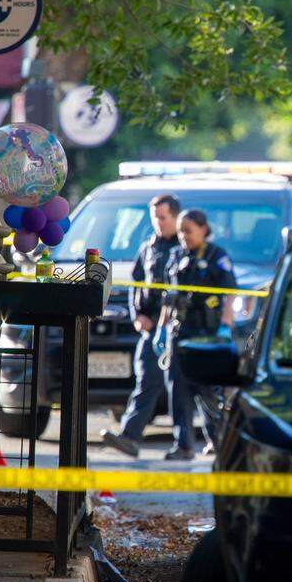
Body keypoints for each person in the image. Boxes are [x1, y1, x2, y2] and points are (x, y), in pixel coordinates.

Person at [100, 194, 181, 457]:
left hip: (175, 329)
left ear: (176, 217)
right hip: (150, 331)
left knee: (192, 390)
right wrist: (137, 315)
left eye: (163, 217)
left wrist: (163, 320)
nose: (158, 223)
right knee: (146, 382)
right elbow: (136, 283)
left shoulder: (183, 248)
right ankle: (129, 437)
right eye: (155, 218)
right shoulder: (148, 248)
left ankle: (208, 438)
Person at [159, 208, 237, 460]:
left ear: (204, 229)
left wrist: (226, 325)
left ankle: (218, 441)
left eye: (188, 231)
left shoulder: (217, 256)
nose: (183, 236)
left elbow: (229, 293)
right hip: (180, 332)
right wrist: (162, 329)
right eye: (181, 231)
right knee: (178, 391)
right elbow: (167, 296)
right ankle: (183, 446)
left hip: (207, 333)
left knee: (207, 392)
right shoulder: (175, 255)